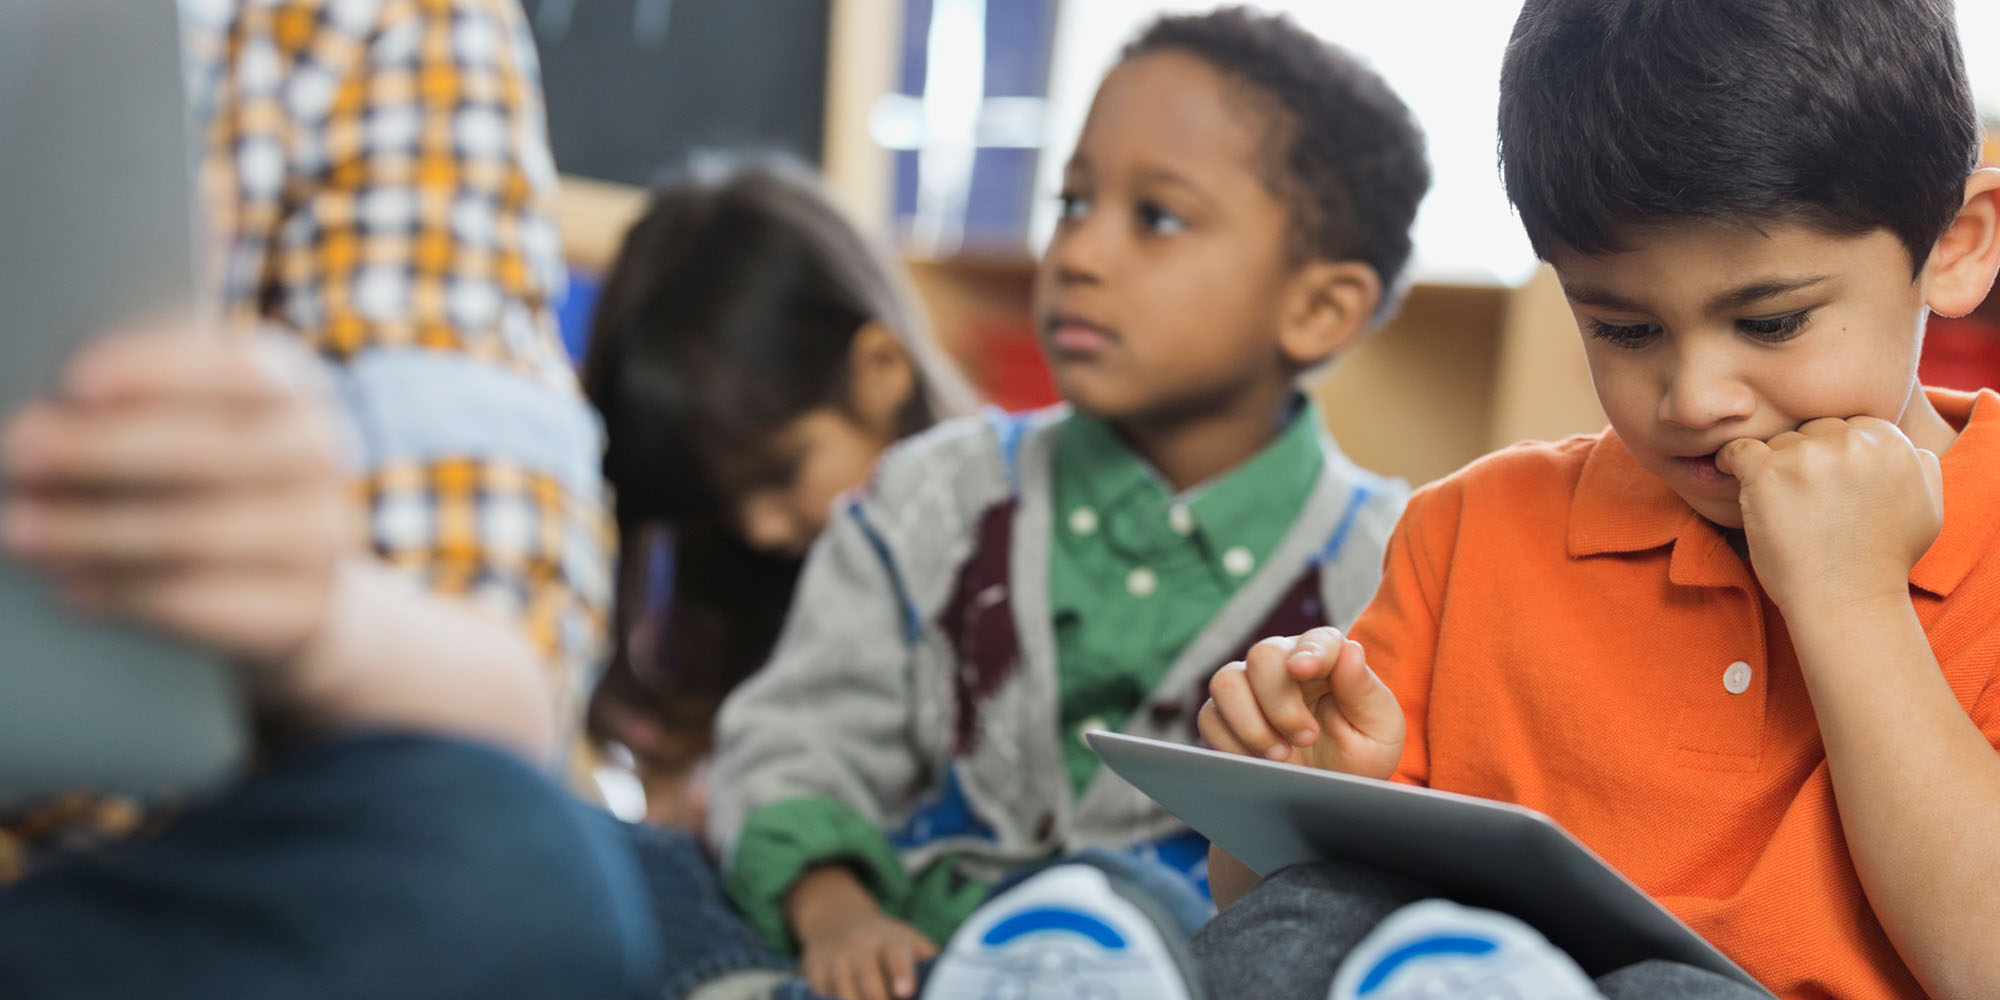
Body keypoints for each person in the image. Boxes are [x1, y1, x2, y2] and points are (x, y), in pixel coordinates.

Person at [1195, 0, 2000, 996]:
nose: (1693, 398)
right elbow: (1270, 917)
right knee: (1298, 911)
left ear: (1956, 246)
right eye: (1623, 330)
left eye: (1771, 320)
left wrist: (1853, 602)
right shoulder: (1468, 533)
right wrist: (1297, 796)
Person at [689, 8, 1431, 1000]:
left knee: (1164, 905)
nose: (1078, 252)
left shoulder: (1398, 564)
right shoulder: (926, 499)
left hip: (1190, 969)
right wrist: (835, 911)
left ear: (1315, 308)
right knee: (639, 874)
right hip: (909, 960)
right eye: (1071, 201)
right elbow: (794, 745)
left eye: (1155, 217)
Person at [0, 1, 660, 996]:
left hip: (114, 890)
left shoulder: (373, 21)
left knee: (511, 879)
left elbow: (502, 698)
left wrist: (323, 623)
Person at [579, 157, 976, 830]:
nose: (758, 528)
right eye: (720, 501)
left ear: (881, 369)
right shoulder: (738, 589)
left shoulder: (1009, 556)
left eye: (783, 470)